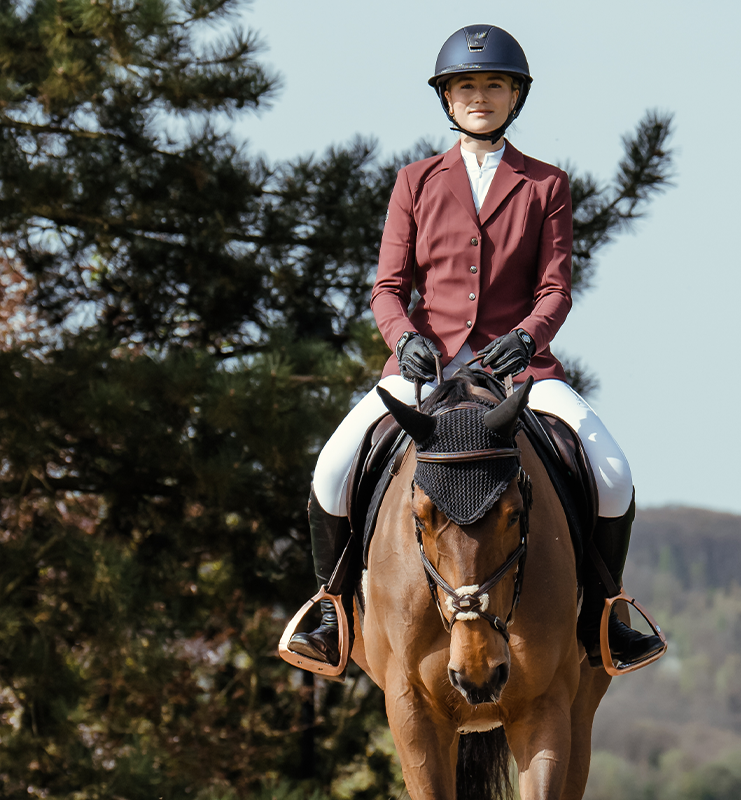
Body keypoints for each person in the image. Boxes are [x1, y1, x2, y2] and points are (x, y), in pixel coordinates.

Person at [282, 23, 665, 674]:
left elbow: (555, 289)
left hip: (519, 371)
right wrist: (404, 342)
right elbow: (388, 287)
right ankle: (332, 611)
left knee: (614, 472)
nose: (479, 97)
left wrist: (526, 339)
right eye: (466, 86)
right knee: (332, 466)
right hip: (427, 371)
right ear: (447, 98)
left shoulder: (546, 185)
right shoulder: (416, 182)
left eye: (492, 85)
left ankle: (605, 613)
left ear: (515, 96)